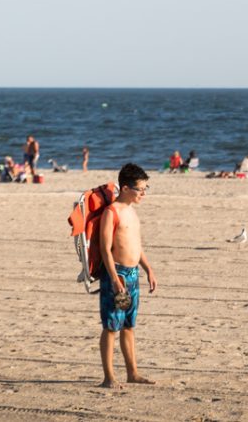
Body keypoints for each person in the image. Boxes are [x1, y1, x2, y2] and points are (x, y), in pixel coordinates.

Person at [97, 163, 157, 388]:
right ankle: (108, 377)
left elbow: (136, 246)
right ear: (124, 188)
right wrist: (113, 278)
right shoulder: (111, 212)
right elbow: (105, 249)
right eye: (140, 189)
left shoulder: (132, 212)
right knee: (112, 326)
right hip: (117, 275)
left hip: (133, 275)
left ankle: (132, 373)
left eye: (145, 188)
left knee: (129, 325)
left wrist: (148, 269)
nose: (143, 193)